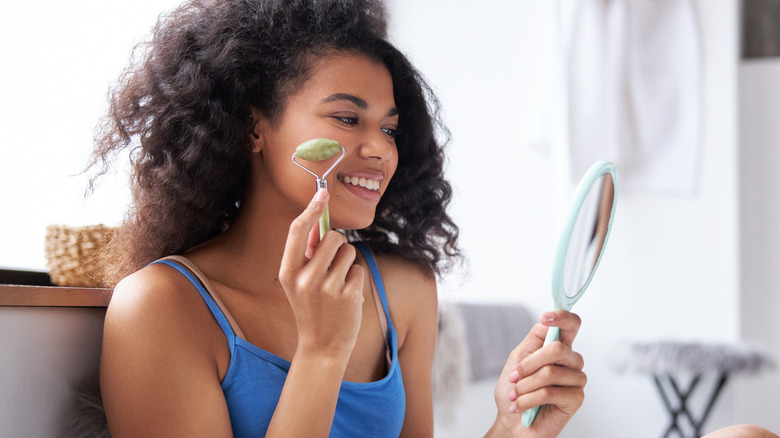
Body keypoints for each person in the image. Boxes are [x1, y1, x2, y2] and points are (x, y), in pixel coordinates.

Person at [90, 0, 588, 436]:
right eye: (348, 119)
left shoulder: (404, 289)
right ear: (253, 125)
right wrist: (323, 351)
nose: (379, 150)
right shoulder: (161, 309)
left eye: (390, 129)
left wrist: (511, 427)